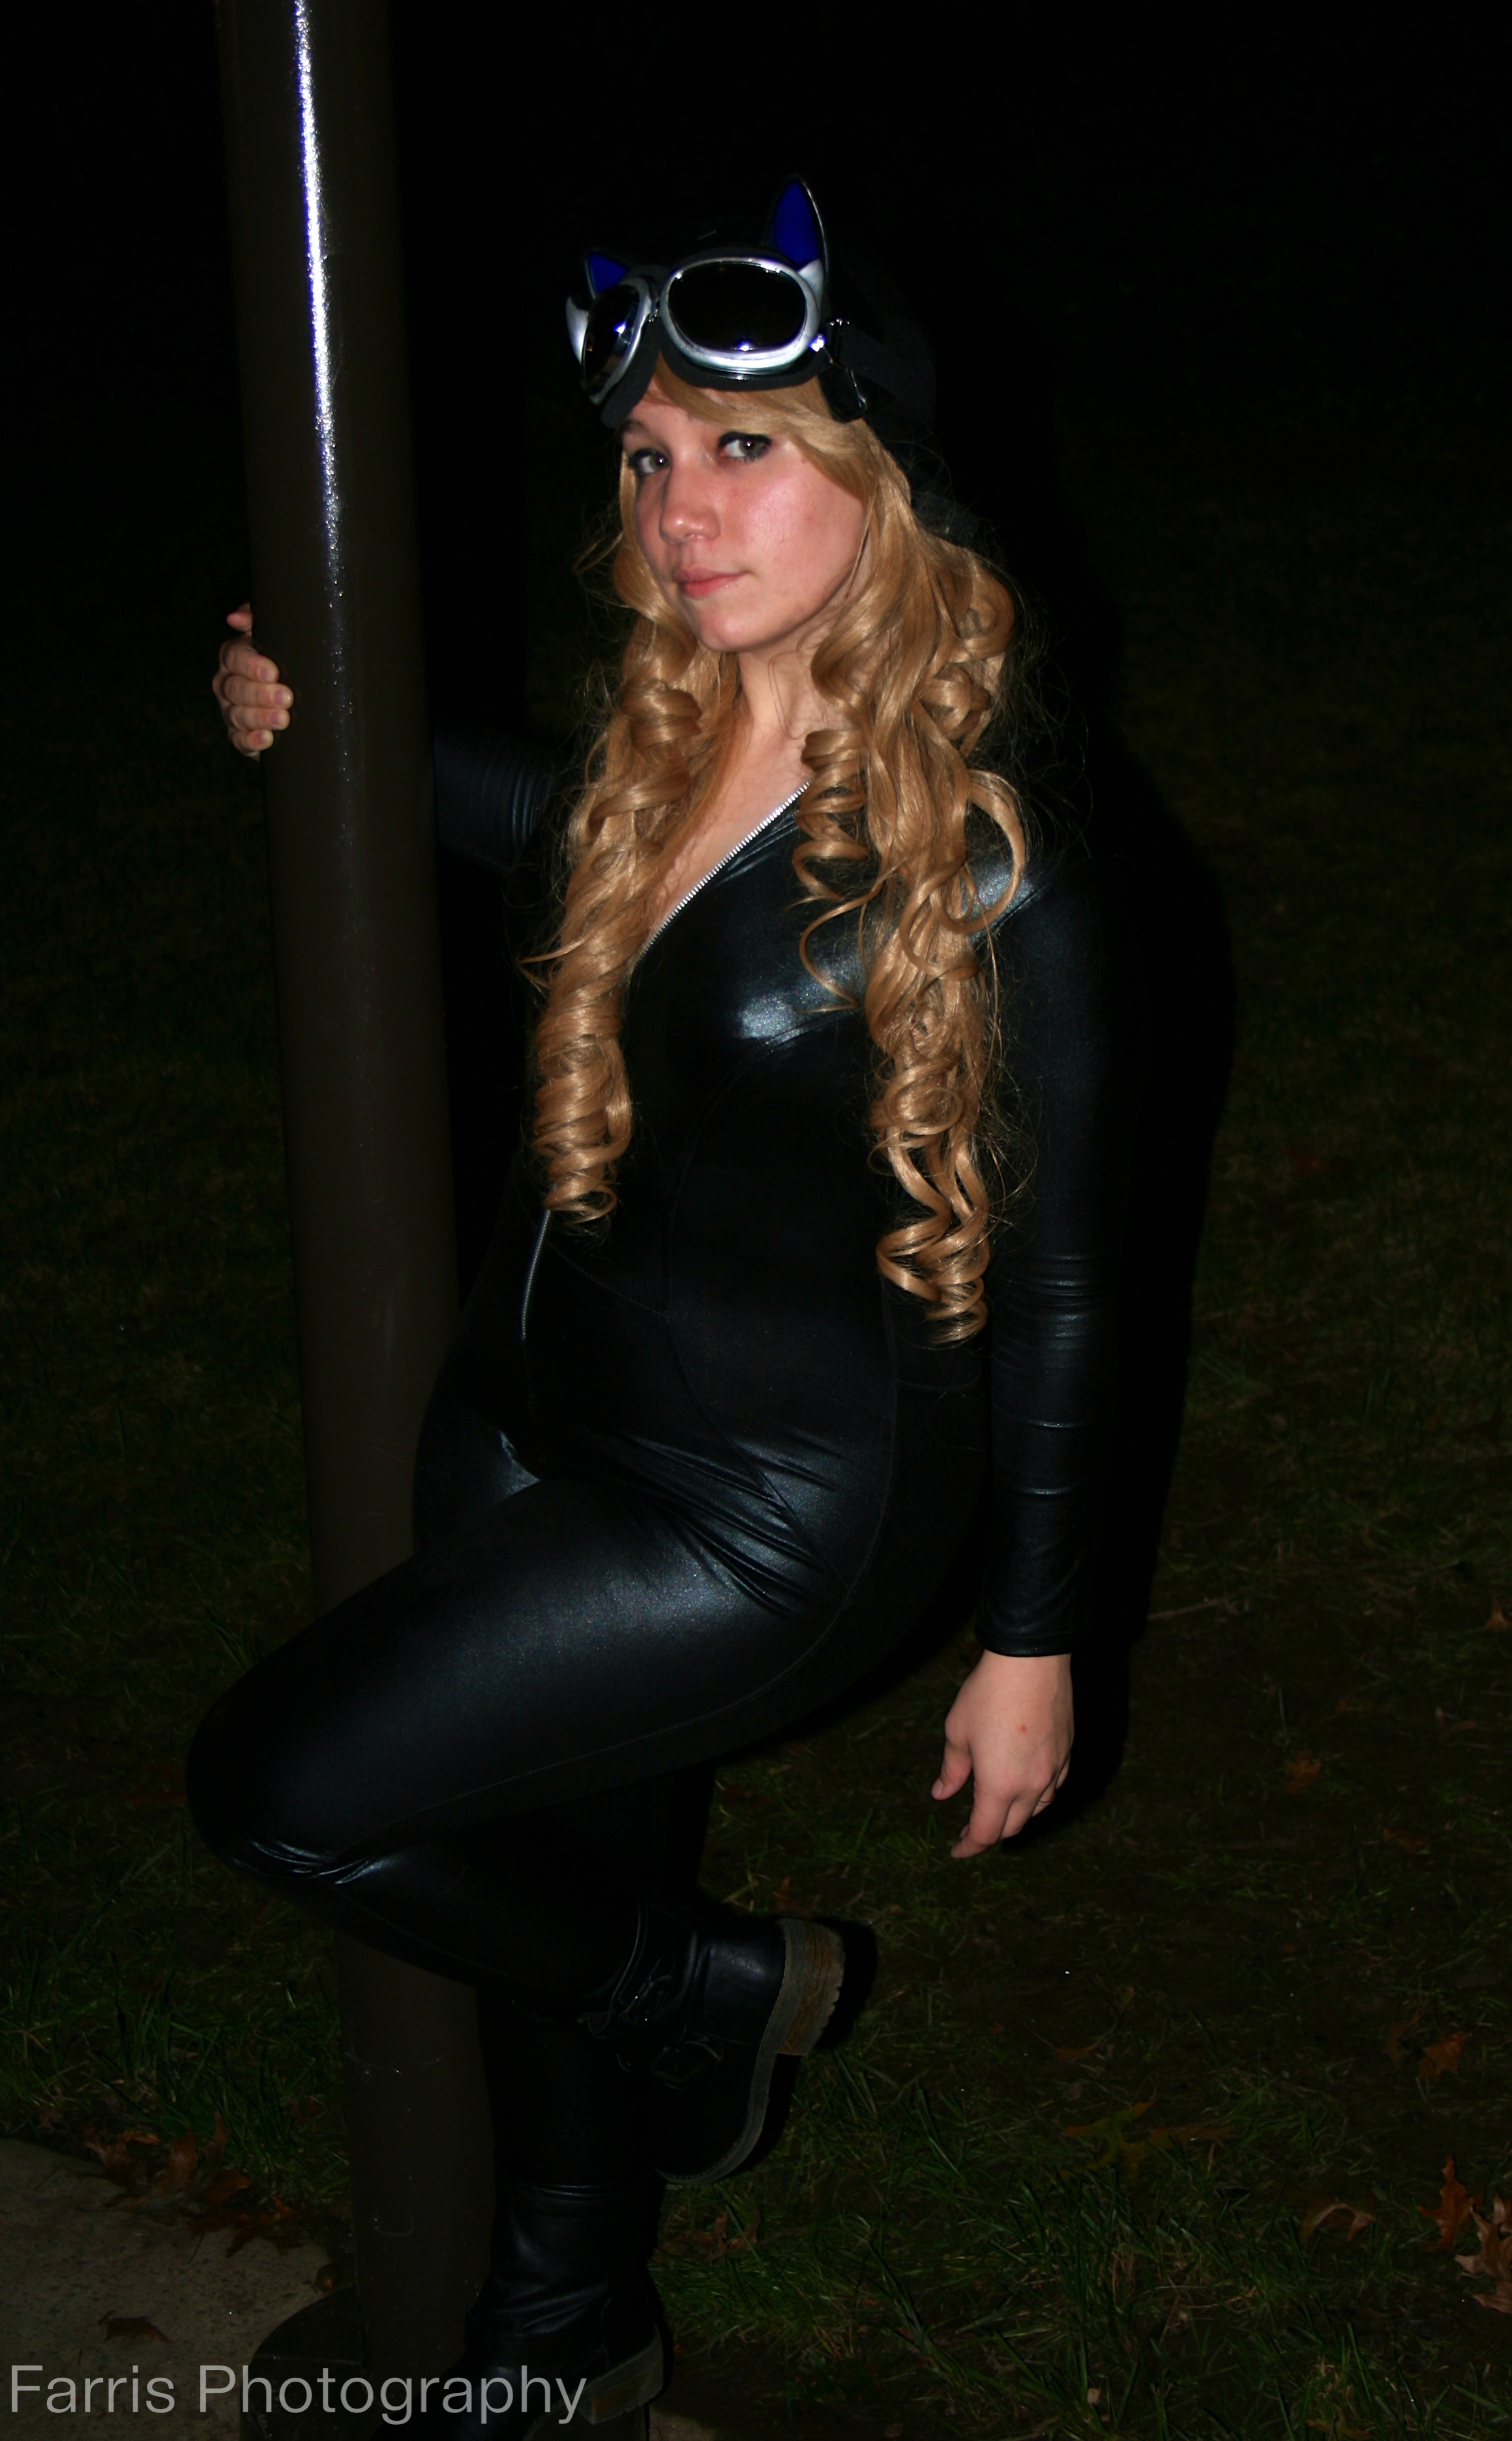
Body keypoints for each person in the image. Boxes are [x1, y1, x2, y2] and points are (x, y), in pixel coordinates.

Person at [192, 179, 1140, 2436]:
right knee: (531, 1852)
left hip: (763, 1517)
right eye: (647, 457)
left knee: (282, 1788)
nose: (682, 509)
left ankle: (701, 1989)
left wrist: (1033, 1641)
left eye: (747, 450)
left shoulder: (1002, 866)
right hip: (534, 1415)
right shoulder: (657, 752)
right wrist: (305, 721)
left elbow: (1079, 1282)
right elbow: (513, 819)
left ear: (882, 483)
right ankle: (569, 2323)